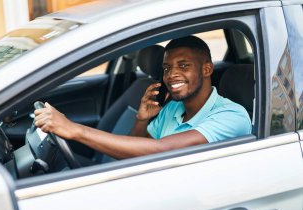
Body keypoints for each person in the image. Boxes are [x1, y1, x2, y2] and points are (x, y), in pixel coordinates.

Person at [34, 35, 252, 160]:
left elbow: (164, 149)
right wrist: (141, 119)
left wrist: (75, 130)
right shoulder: (172, 109)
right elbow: (139, 149)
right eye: (167, 68)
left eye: (183, 66)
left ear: (207, 69)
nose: (171, 75)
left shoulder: (232, 115)